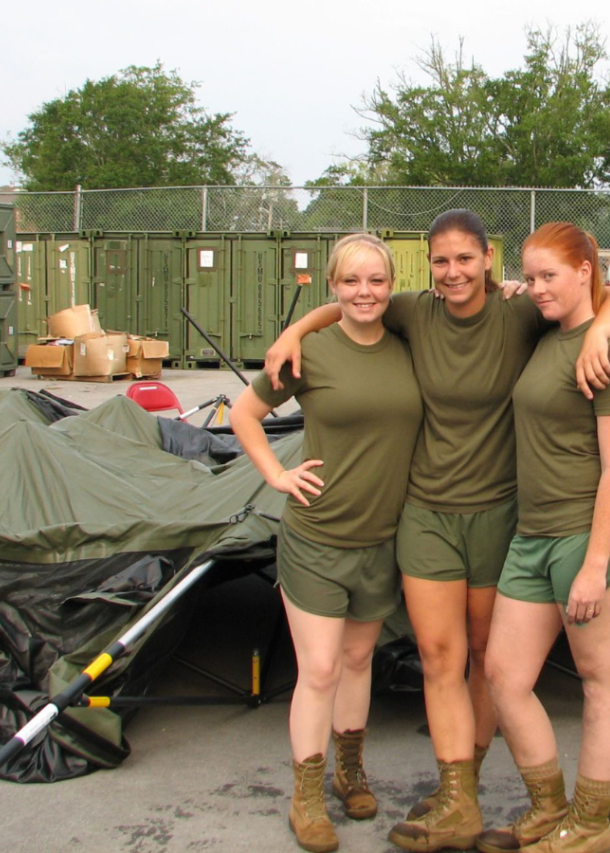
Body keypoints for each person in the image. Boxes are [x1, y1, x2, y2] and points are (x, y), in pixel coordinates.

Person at [264, 210, 610, 853]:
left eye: (466, 259)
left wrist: (604, 328)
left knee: (489, 659)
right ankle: (459, 797)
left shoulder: (525, 312)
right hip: (427, 514)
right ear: (428, 267)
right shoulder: (415, 311)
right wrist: (294, 329)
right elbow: (353, 305)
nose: (454, 272)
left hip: (504, 515)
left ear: (489, 260)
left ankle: (563, 814)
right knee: (446, 659)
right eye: (441, 261)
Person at [230, 234, 423, 853]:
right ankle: (306, 794)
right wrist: (276, 474)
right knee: (317, 669)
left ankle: (349, 769)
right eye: (351, 281)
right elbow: (242, 415)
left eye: (376, 281)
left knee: (358, 662)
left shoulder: (409, 346)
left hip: (382, 540)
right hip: (317, 537)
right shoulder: (310, 352)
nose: (364, 293)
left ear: (391, 286)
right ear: (332, 285)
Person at [478, 222, 610, 853]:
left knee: (601, 681)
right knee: (504, 675)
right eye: (533, 274)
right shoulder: (550, 333)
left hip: (586, 538)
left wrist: (595, 565)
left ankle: (590, 825)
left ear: (585, 271)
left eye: (552, 275)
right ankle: (549, 808)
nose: (540, 286)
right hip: (532, 535)